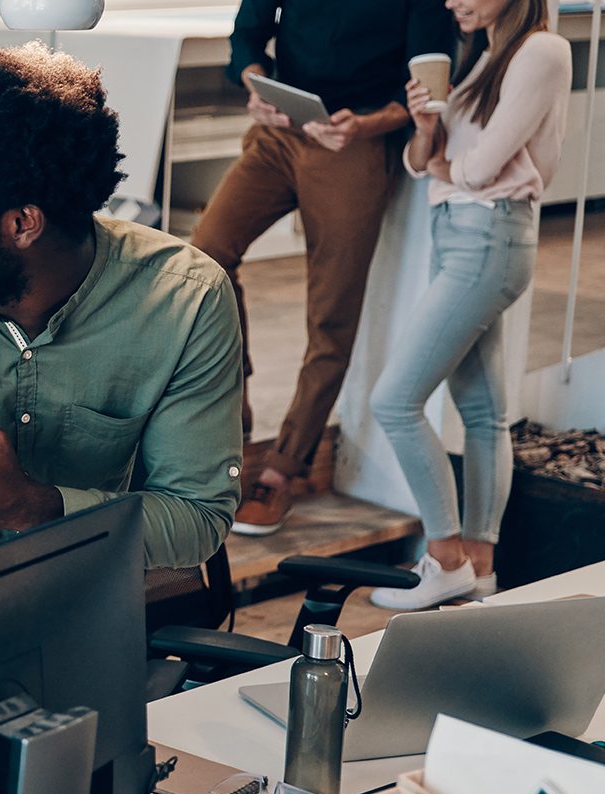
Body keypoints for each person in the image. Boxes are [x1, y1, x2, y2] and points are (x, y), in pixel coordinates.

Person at [0, 44, 243, 578]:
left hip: (84, 592)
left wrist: (29, 506)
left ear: (22, 225)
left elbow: (195, 519)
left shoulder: (186, 303)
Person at [201, 0, 457, 535]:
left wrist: (367, 125)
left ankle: (283, 467)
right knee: (204, 261)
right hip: (279, 133)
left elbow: (424, 84)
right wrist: (257, 87)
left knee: (331, 315)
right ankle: (233, 413)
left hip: (353, 144)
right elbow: (247, 35)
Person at [369, 0, 568, 610]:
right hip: (459, 234)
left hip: (489, 237)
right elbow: (416, 163)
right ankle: (479, 570)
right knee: (482, 410)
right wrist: (426, 124)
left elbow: (480, 171)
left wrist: (441, 163)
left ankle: (445, 558)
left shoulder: (541, 50)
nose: (452, 1)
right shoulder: (482, 59)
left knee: (395, 402)